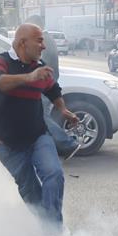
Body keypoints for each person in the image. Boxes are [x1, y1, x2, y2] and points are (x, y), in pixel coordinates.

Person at [0, 23, 80, 234]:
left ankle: (54, 232)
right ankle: (46, 229)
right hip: (8, 146)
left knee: (54, 174)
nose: (43, 46)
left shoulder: (40, 66)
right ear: (22, 43)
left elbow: (53, 89)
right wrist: (29, 77)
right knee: (31, 191)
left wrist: (63, 109)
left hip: (38, 137)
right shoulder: (1, 61)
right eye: (39, 40)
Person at [41, 29, 81, 159]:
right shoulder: (47, 38)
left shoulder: (43, 40)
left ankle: (67, 144)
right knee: (40, 117)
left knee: (40, 116)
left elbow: (41, 66)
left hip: (44, 86)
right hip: (47, 84)